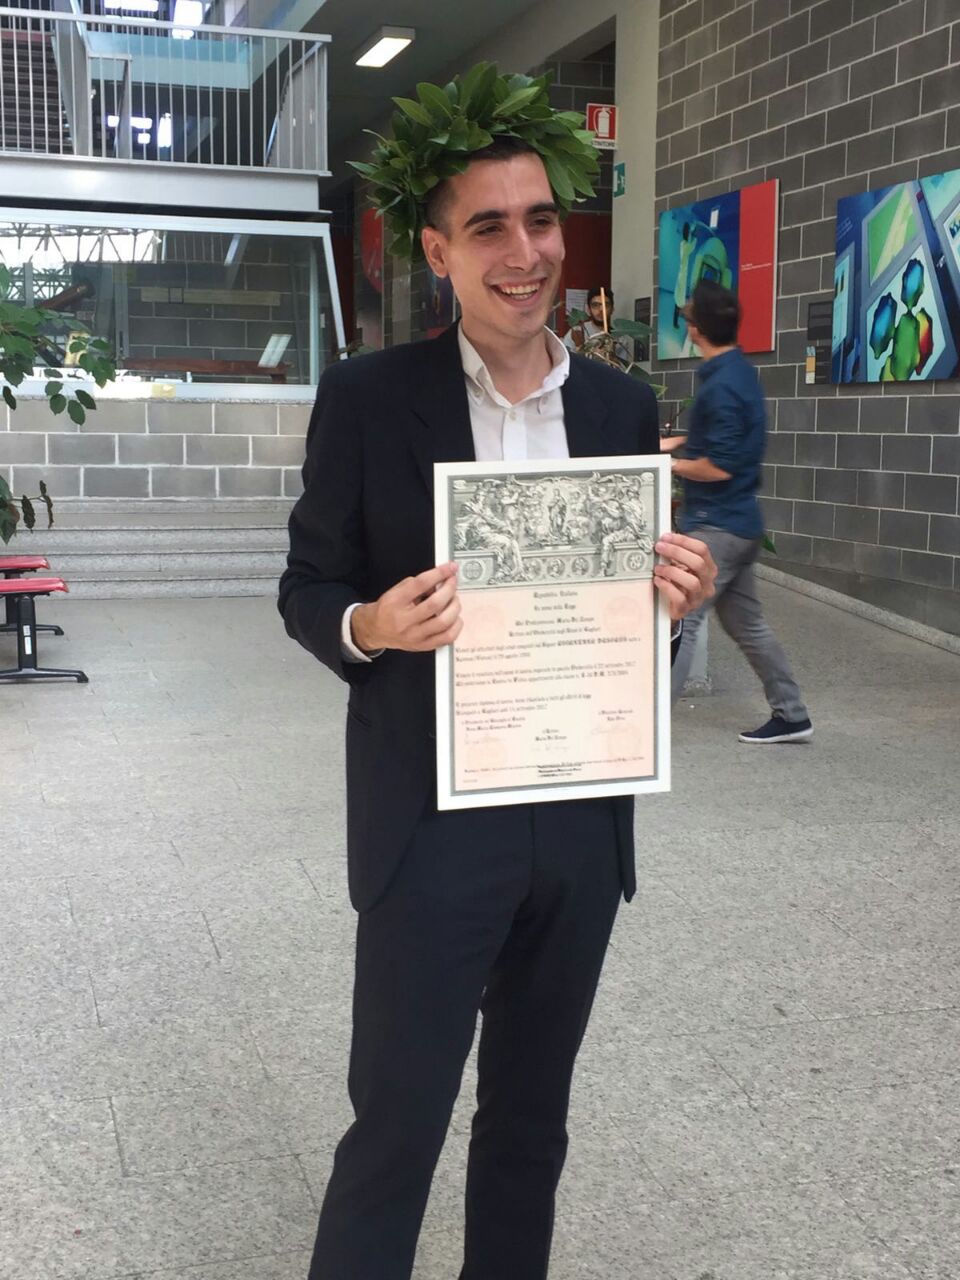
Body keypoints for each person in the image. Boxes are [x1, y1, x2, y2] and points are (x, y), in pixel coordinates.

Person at [279, 68, 716, 1280]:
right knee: (398, 1123)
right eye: (488, 227)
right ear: (438, 252)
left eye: (541, 220)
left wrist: (670, 604)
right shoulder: (369, 400)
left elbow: (622, 615)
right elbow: (307, 585)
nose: (525, 253)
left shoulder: (622, 407)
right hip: (430, 823)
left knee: (531, 1123)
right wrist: (371, 621)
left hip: (577, 817)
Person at [670, 281, 813, 744]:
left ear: (696, 329)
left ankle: (649, 730)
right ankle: (792, 715)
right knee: (748, 626)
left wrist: (669, 464)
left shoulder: (721, 386)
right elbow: (719, 440)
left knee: (682, 618)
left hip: (717, 528)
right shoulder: (738, 374)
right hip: (740, 524)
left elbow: (719, 465)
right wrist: (673, 443)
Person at [563, 285, 631, 362]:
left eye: (606, 305)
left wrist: (612, 356)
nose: (601, 309)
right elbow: (565, 362)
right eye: (595, 305)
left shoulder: (620, 338)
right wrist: (579, 346)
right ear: (588, 310)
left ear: (612, 309)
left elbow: (623, 367)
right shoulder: (577, 332)